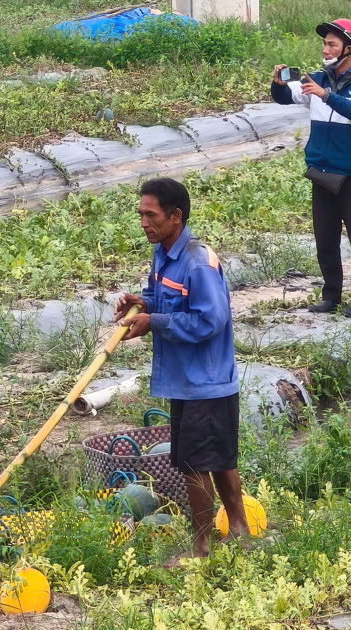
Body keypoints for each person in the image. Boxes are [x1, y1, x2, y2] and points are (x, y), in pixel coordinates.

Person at [113, 178, 248, 564]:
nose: (143, 222)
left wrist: (154, 322)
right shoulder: (165, 253)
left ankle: (201, 548)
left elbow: (210, 320)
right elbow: (170, 298)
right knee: (220, 460)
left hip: (204, 381)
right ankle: (239, 532)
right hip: (192, 381)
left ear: (176, 216)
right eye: (141, 214)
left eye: (150, 214)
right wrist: (145, 301)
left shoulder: (198, 261)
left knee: (194, 466)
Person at [271, 19, 351, 319]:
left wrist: (326, 95)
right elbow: (285, 97)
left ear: (349, 48)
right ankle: (331, 297)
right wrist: (278, 83)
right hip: (322, 170)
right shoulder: (319, 77)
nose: (325, 48)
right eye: (325, 43)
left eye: (331, 44)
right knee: (325, 238)